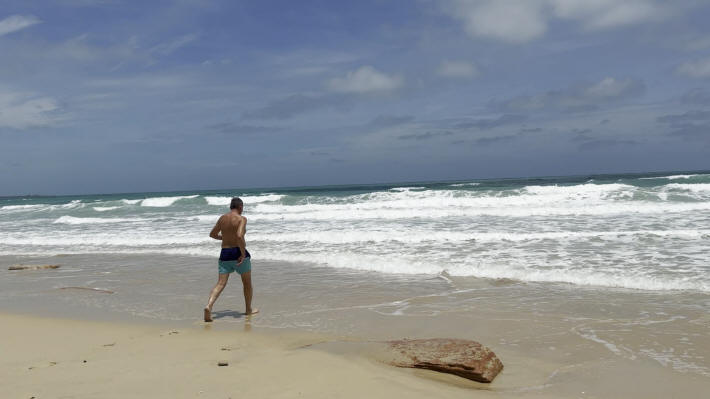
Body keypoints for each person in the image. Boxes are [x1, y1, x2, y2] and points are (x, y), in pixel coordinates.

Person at [204, 197, 258, 322]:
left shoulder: (222, 218)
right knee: (247, 283)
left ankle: (209, 306)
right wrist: (243, 254)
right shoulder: (242, 219)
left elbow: (212, 234)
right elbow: (239, 236)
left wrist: (225, 238)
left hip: (225, 253)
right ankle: (248, 309)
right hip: (238, 252)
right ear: (240, 207)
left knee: (220, 283)